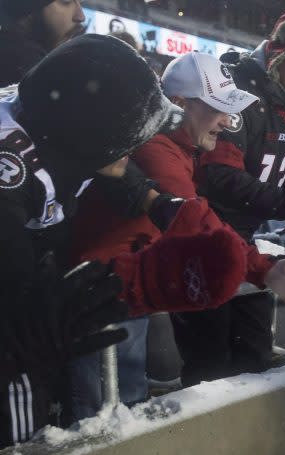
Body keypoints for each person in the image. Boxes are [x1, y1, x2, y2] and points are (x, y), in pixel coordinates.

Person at [0, 35, 252, 447]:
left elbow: (113, 169)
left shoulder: (49, 122)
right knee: (20, 391)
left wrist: (160, 204)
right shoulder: (8, 184)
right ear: (88, 138)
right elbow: (17, 318)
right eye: (129, 136)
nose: (137, 147)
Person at [66, 52, 285, 418]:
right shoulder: (157, 149)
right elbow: (198, 226)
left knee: (118, 417)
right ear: (178, 104)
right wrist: (264, 268)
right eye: (217, 109)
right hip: (98, 299)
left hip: (113, 295)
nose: (225, 122)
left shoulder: (177, 149)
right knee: (100, 423)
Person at [176, 13, 285, 383]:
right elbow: (218, 176)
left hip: (243, 243)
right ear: (280, 55)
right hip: (200, 240)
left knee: (254, 357)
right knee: (210, 370)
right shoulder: (239, 94)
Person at [0, 0, 86, 87]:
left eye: (81, 2)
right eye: (66, 2)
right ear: (25, 7)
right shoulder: (32, 75)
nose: (81, 16)